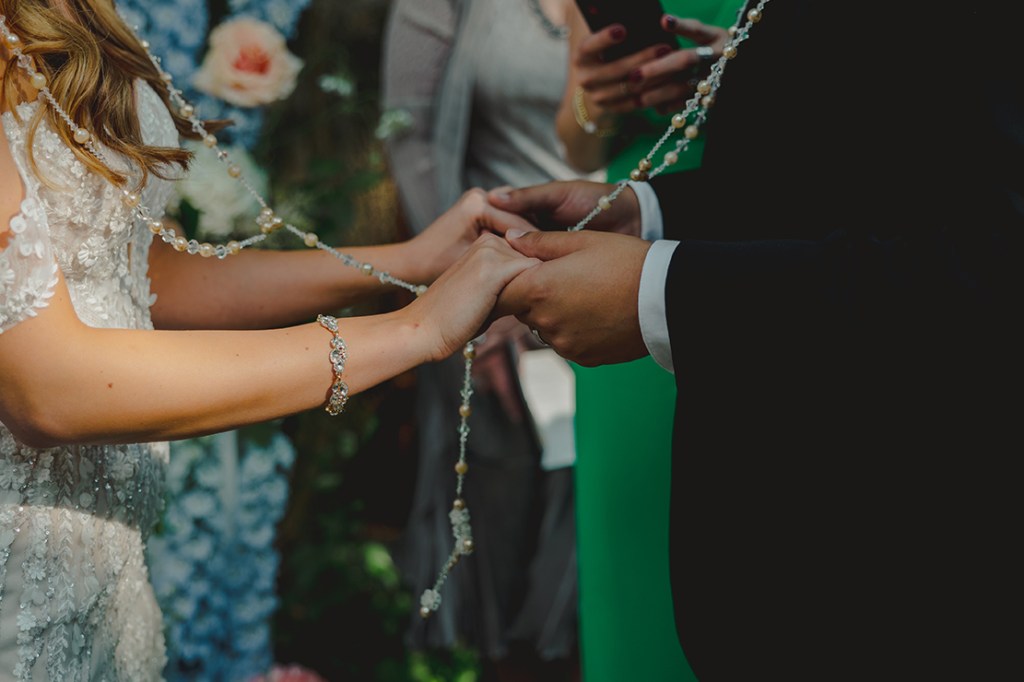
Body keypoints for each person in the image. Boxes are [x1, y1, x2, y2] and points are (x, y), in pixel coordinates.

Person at [0, 2, 539, 678]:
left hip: (108, 581)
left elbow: (141, 273)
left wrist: (413, 260)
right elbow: (49, 388)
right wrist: (413, 330)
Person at [489, 1, 1023, 679]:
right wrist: (648, 212)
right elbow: (871, 170)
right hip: (772, 540)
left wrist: (670, 290)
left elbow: (991, 255)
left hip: (918, 551)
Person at [380, 1, 596, 679]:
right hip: (490, 292)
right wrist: (482, 303)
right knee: (504, 514)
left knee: (599, 527)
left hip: (621, 280)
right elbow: (411, 139)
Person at [548, 4, 741, 681]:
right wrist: (597, 100)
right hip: (627, 246)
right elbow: (576, 142)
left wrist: (743, 78)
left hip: (767, 234)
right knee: (637, 552)